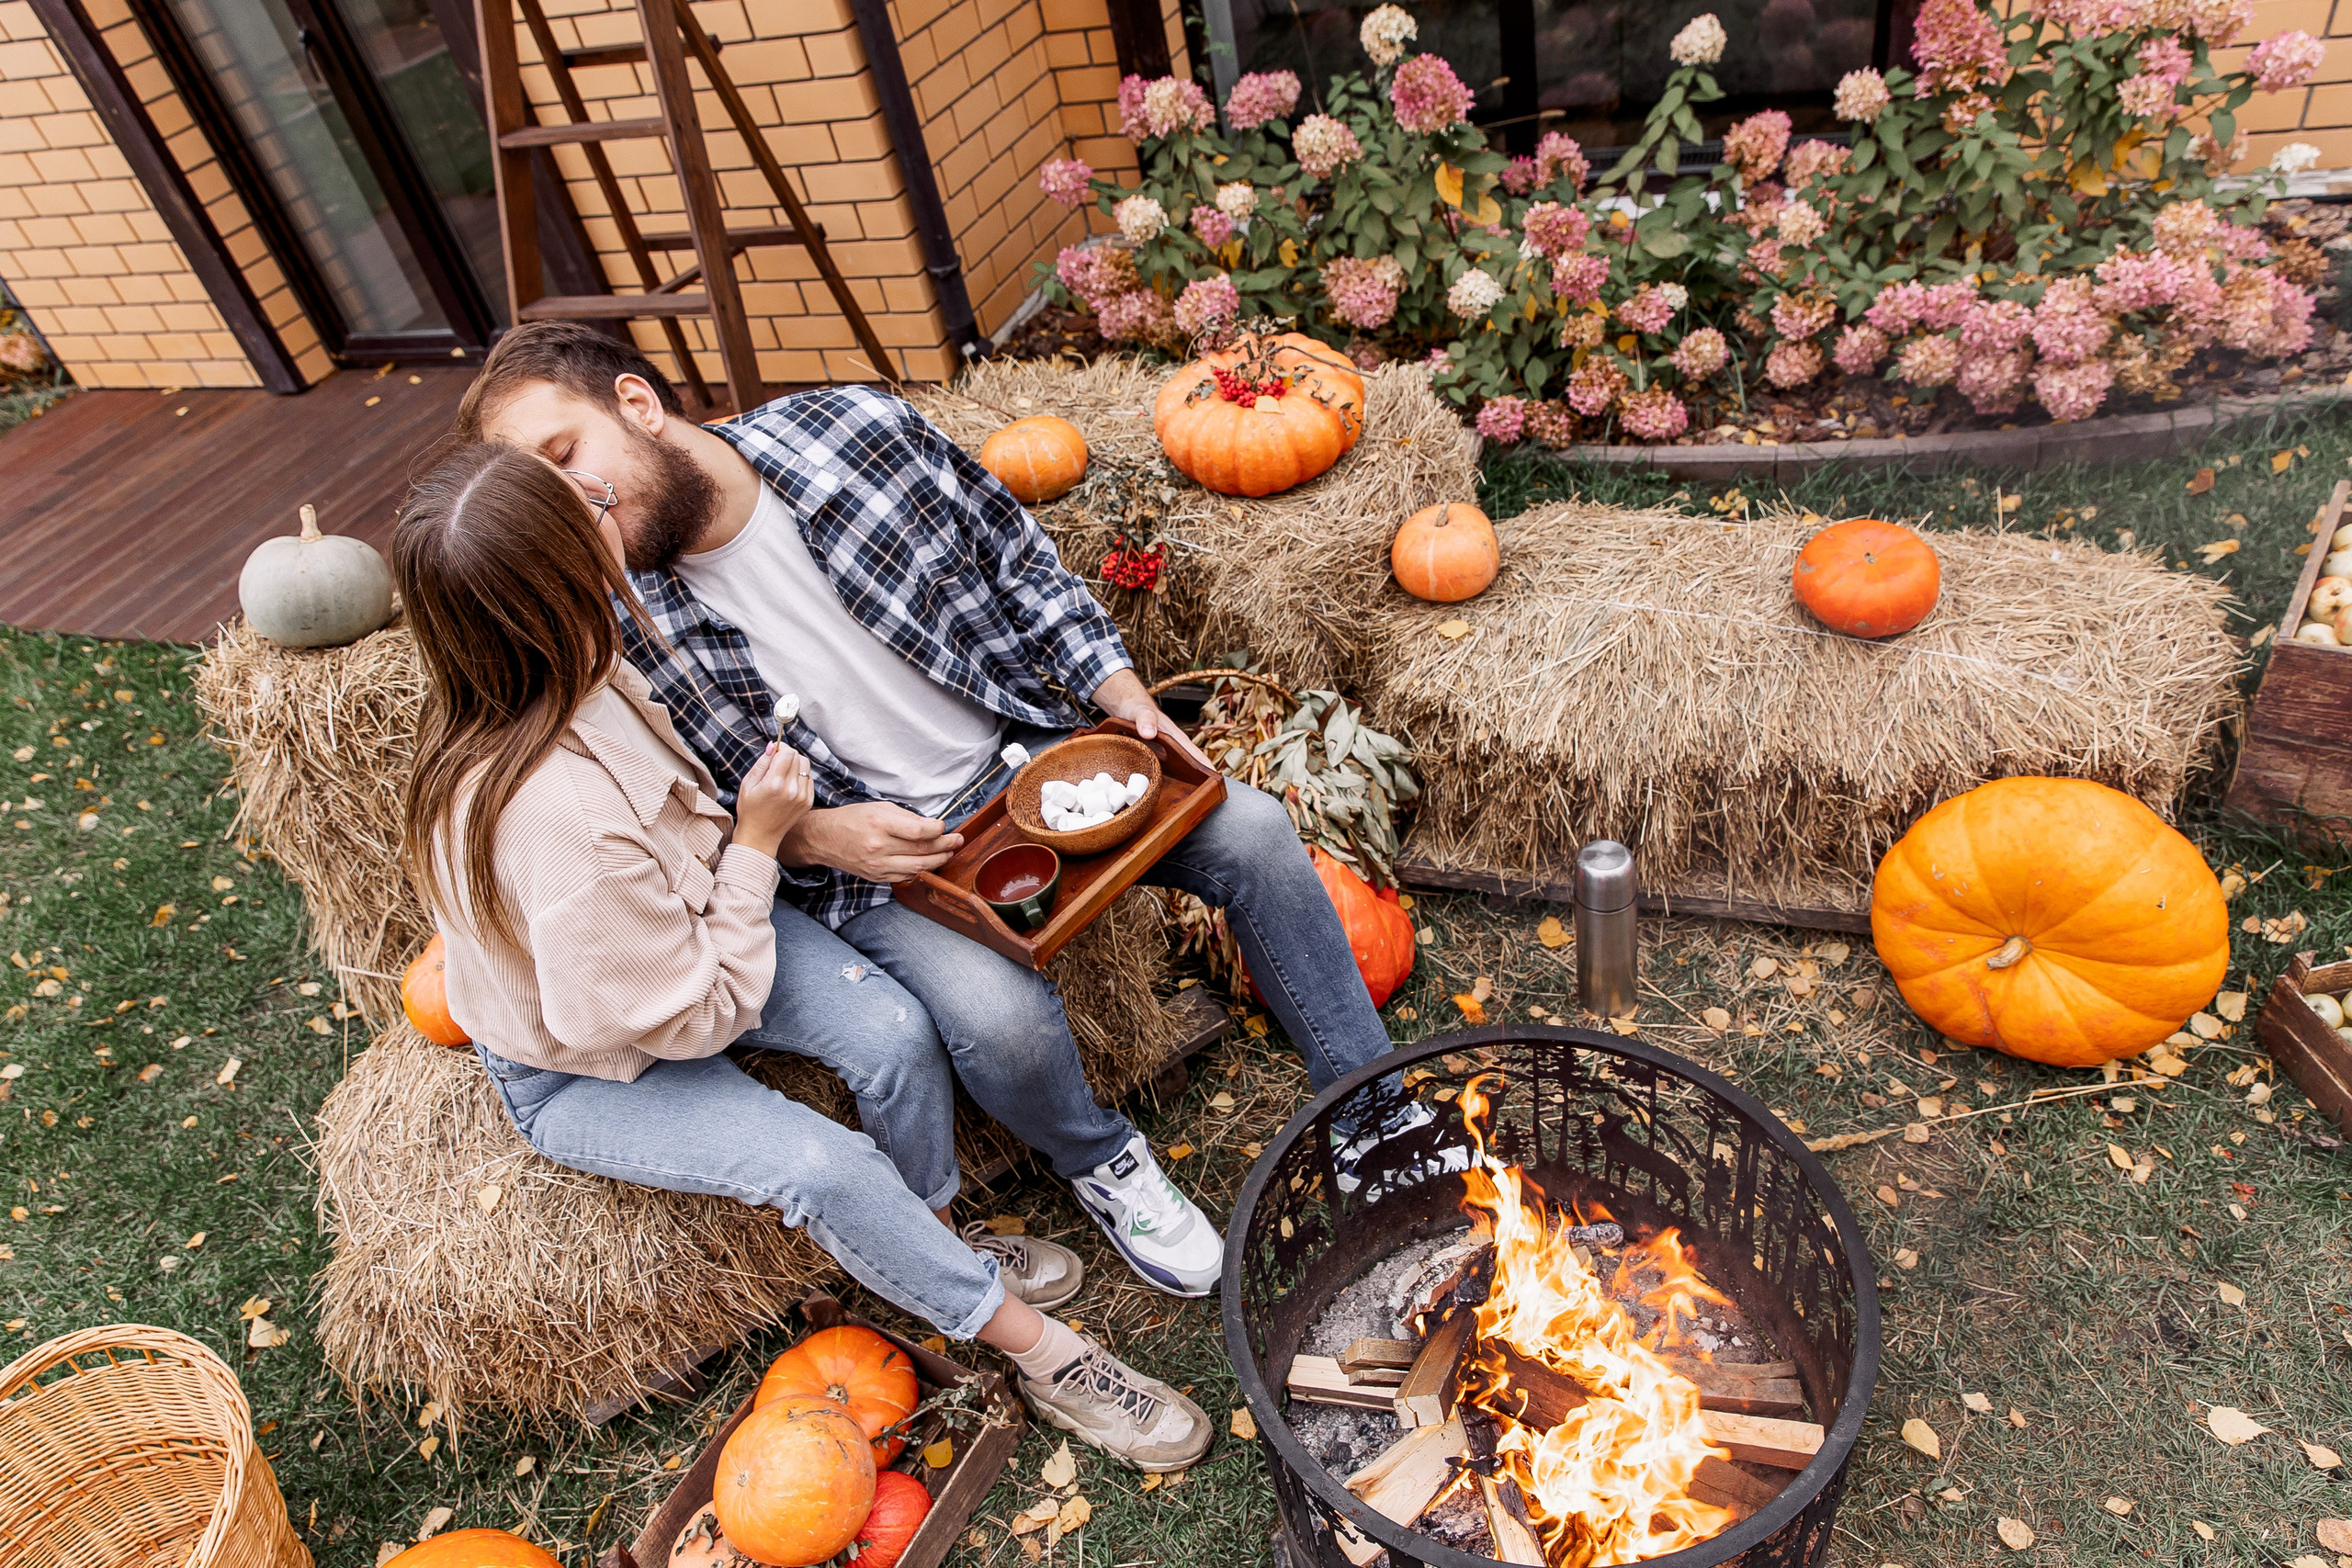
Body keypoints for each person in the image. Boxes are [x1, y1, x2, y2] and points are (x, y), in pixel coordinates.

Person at [453, 323, 1408, 1293]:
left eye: (564, 456)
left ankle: (1371, 1104)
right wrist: (820, 836)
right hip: (877, 861)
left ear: (638, 404)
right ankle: (1101, 1162)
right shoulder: (604, 616)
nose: (566, 506)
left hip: (1026, 749)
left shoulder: (854, 430)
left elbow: (1018, 561)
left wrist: (1121, 692)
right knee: (999, 1023)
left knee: (1252, 832)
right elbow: (690, 805)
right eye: (536, 491)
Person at [391, 441, 1210, 1470]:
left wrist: (757, 841)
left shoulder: (578, 669)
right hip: (597, 1057)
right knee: (823, 1167)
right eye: (592, 509)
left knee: (894, 1031)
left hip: (685, 929)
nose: (617, 503)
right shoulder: (558, 814)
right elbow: (695, 1015)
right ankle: (1043, 1353)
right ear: (555, 589)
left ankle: (935, 1235)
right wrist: (762, 840)